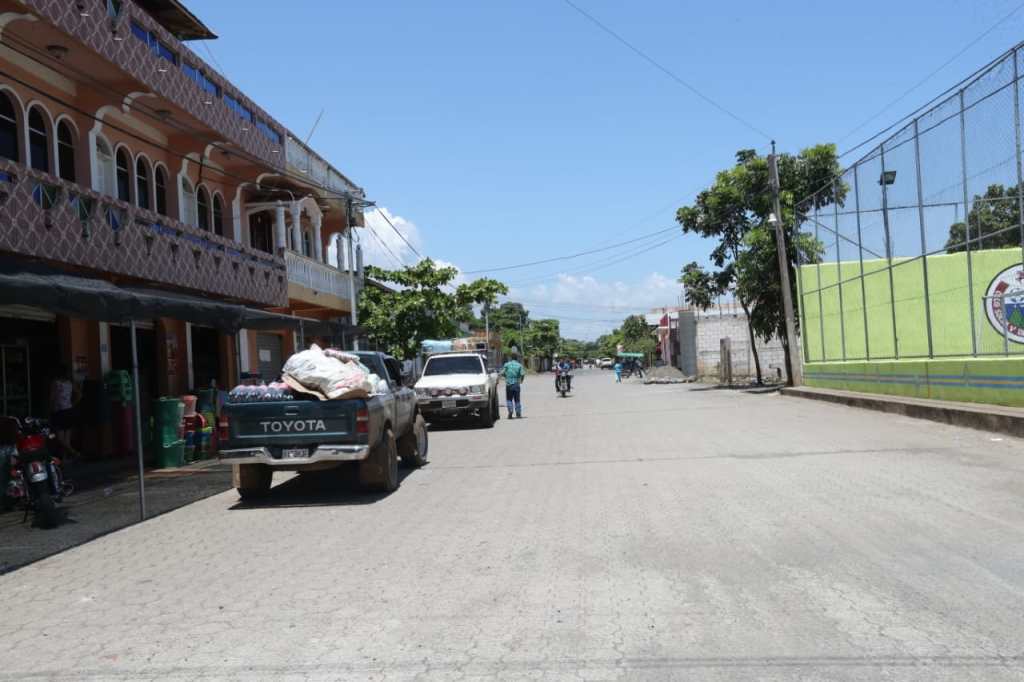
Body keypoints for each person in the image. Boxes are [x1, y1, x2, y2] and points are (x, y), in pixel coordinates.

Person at [49, 364, 78, 457]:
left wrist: (50, 409)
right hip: (69, 410)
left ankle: (74, 452)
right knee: (66, 439)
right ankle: (65, 458)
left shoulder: (56, 383)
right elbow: (79, 394)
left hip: (59, 411)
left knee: (60, 438)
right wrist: (73, 404)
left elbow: (52, 397)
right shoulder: (69, 383)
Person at [501, 353, 526, 419]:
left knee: (509, 399)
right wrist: (521, 381)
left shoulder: (507, 364)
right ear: (517, 358)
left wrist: (506, 376)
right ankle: (518, 413)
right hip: (516, 384)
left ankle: (510, 410)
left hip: (509, 384)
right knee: (517, 399)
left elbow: (502, 373)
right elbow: (522, 374)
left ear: (511, 358)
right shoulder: (519, 365)